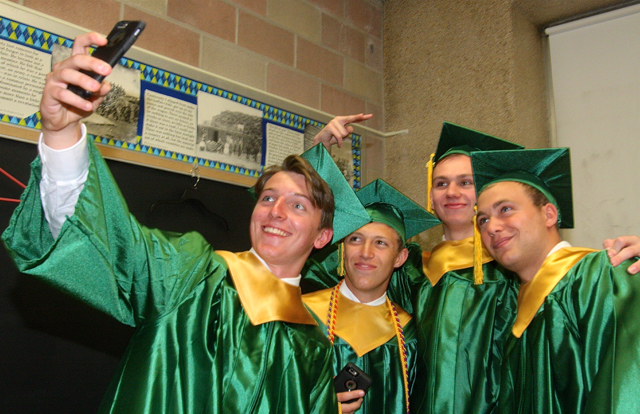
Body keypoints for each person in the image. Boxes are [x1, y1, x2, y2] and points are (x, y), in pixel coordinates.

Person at [1, 32, 374, 413]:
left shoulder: (313, 344)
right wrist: (62, 133)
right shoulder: (192, 275)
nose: (275, 211)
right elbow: (107, 243)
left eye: (297, 206)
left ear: (322, 236)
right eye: (267, 198)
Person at [313, 114, 640, 414]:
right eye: (441, 183)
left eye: (466, 182)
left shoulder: (515, 269)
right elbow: (307, 254)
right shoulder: (409, 268)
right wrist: (317, 160)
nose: (452, 192)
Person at [473, 147, 640, 413]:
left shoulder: (601, 274)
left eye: (505, 209)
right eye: (482, 220)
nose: (491, 227)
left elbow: (626, 386)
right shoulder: (512, 313)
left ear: (549, 214)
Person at [303, 179, 441, 414]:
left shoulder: (411, 334)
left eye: (380, 243)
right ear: (342, 248)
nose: (365, 253)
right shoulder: (303, 315)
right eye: (356, 239)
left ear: (400, 258)